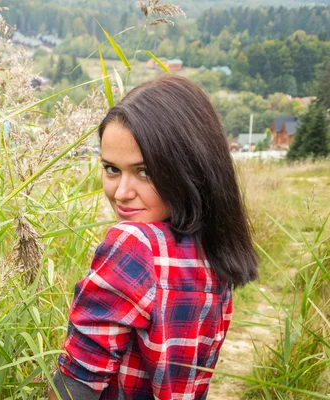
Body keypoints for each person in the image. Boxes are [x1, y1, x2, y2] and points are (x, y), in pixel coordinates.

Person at [49, 74, 259, 400]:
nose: (120, 193)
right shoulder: (216, 250)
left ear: (188, 167)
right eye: (111, 169)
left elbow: (75, 387)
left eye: (144, 172)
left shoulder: (133, 245)